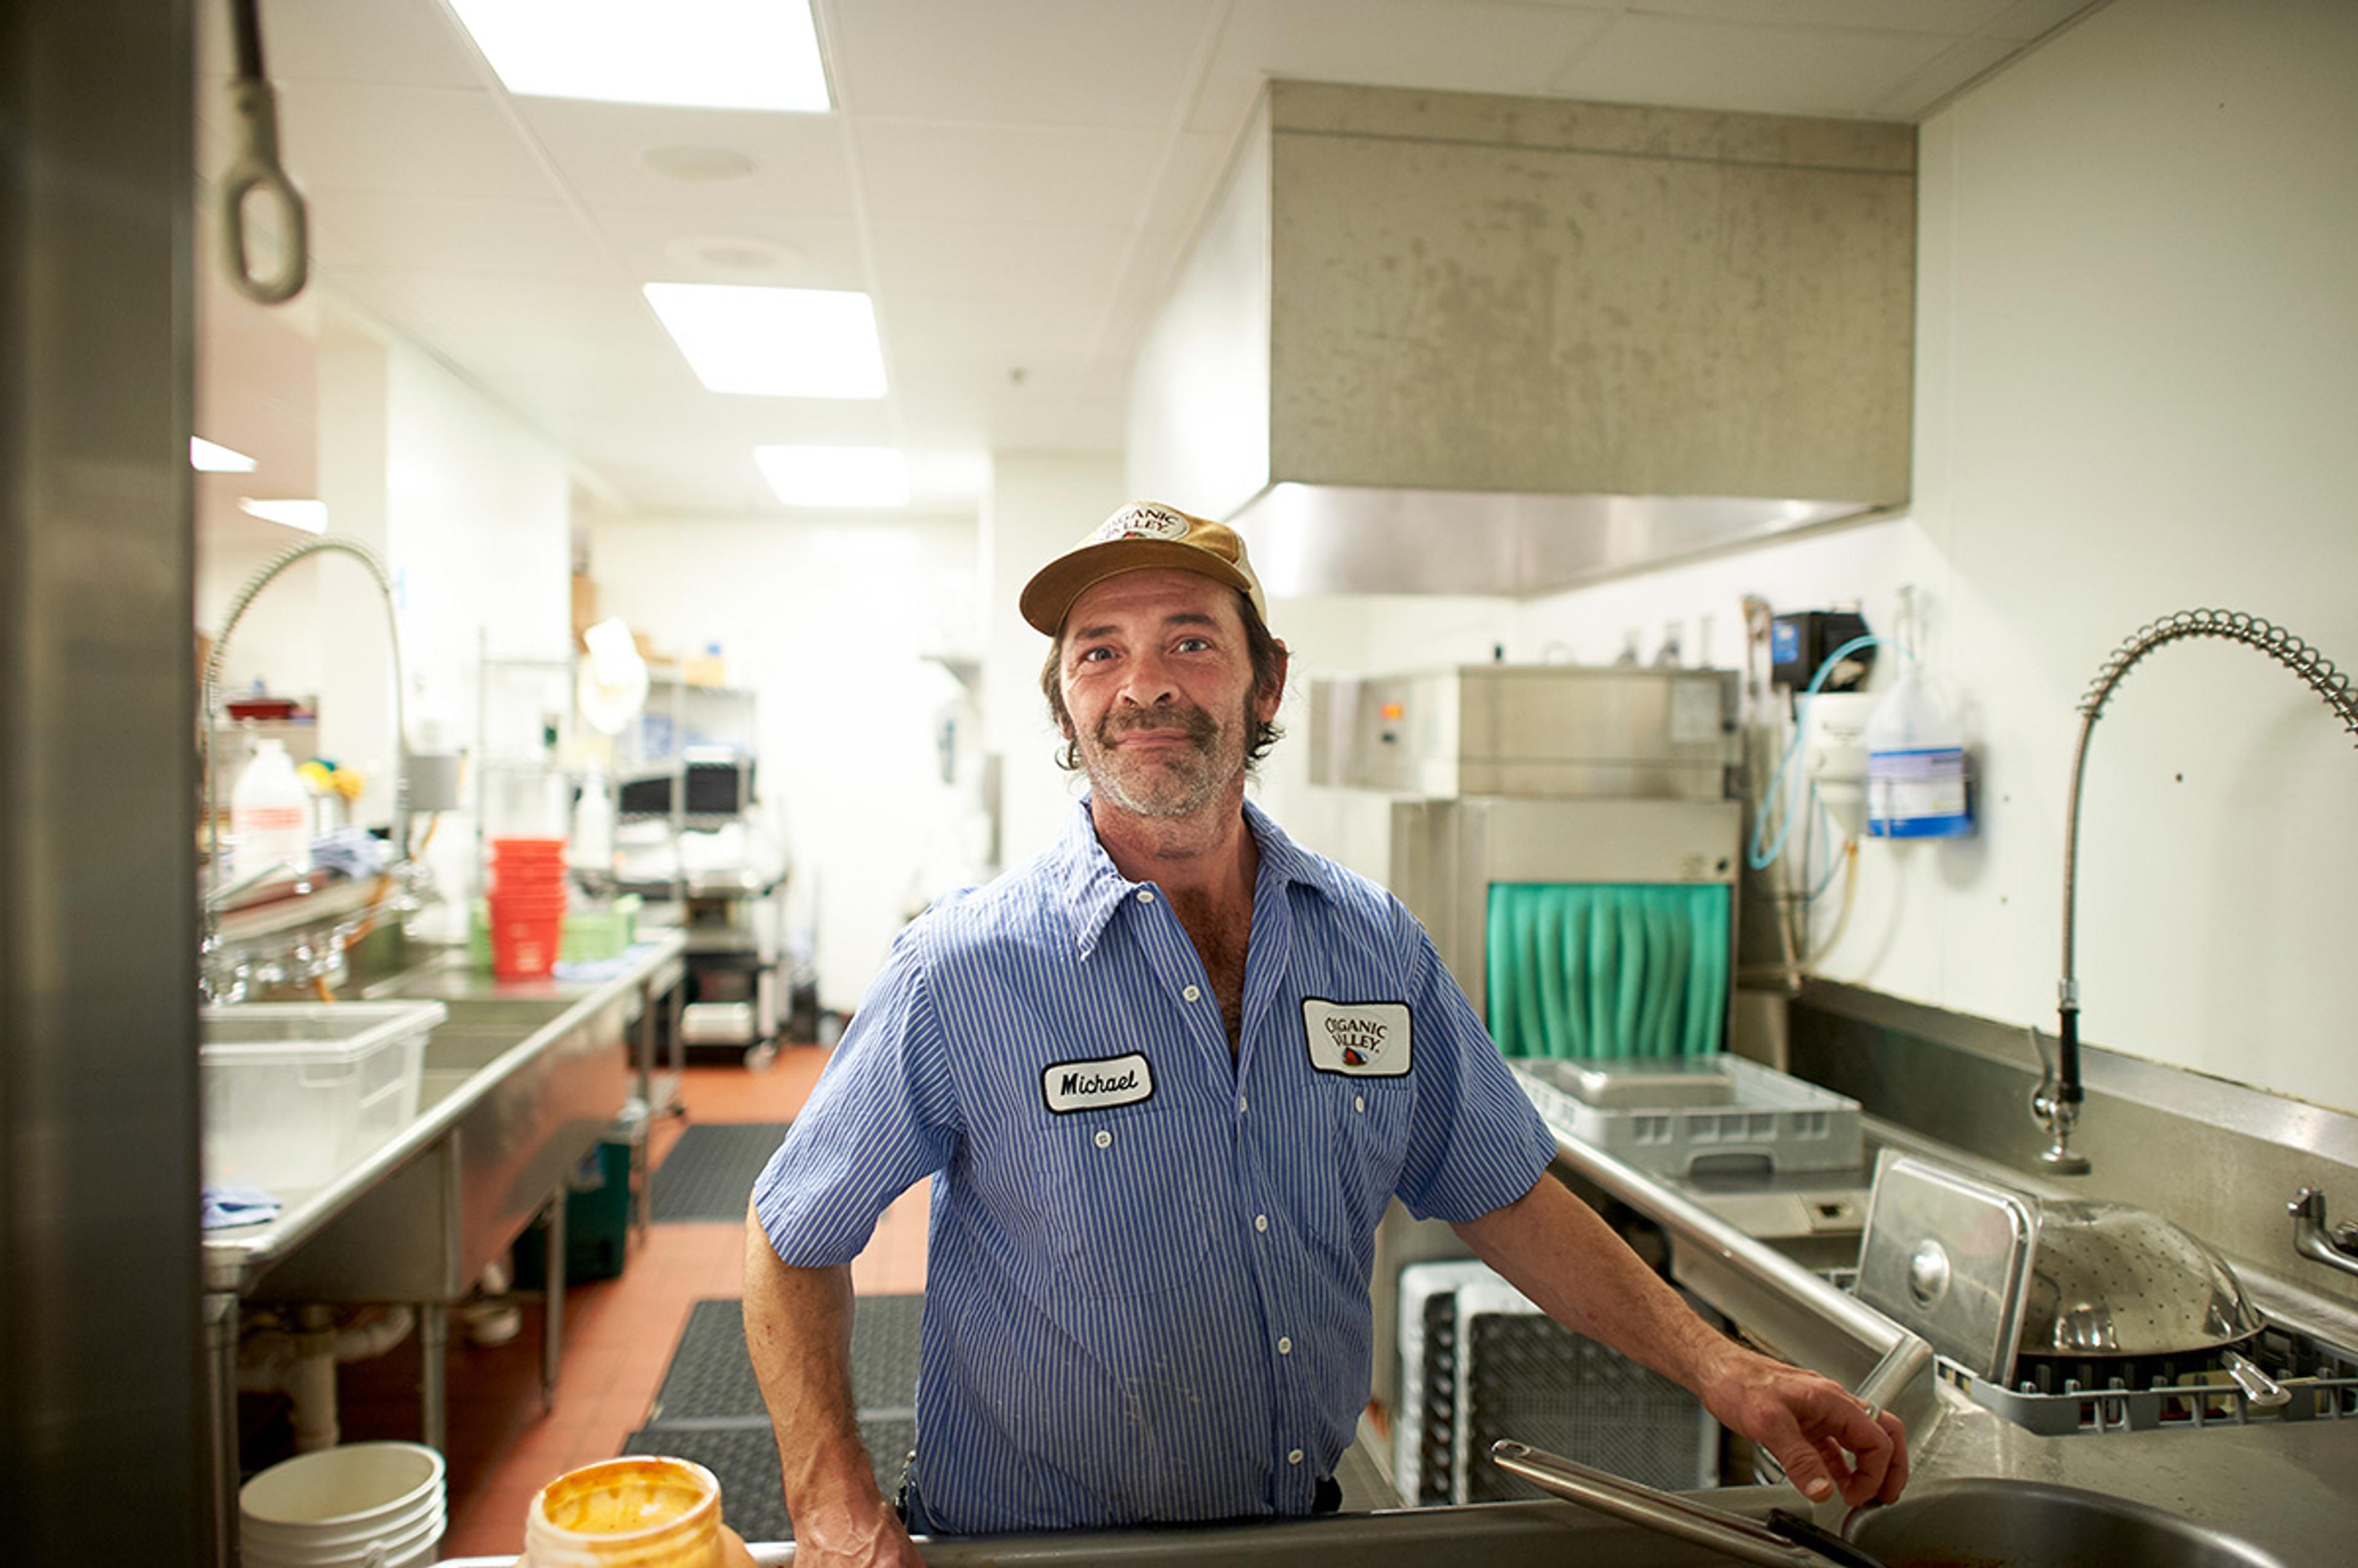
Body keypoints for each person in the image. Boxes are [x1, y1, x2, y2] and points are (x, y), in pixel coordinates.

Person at [742, 502, 1907, 1563]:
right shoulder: (964, 970)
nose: (1144, 683)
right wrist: (831, 1495)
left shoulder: (1372, 946)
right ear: (1066, 701)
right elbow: (792, 1232)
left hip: (1291, 1537)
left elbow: (1501, 1188)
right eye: (1100, 650)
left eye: (1190, 640)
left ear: (1267, 682)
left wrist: (1723, 1366)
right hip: (1035, 1550)